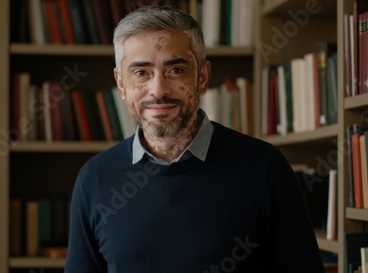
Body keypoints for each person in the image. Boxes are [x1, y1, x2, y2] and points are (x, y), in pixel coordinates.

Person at [65, 5, 324, 273]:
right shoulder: (94, 179)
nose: (158, 90)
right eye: (141, 73)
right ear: (121, 84)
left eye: (175, 70)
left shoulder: (265, 168)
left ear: (202, 77)